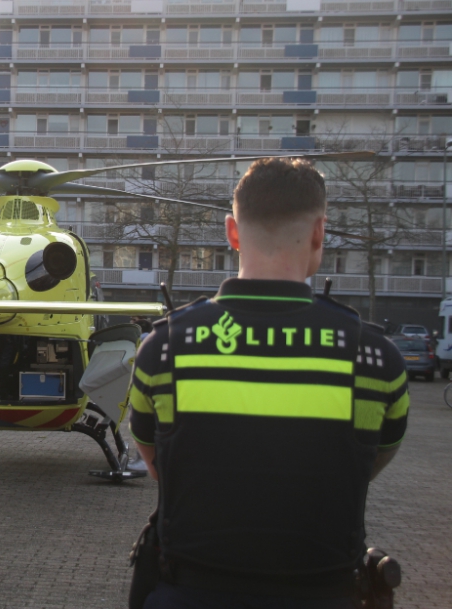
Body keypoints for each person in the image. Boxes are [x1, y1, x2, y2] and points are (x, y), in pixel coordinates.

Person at [129, 157, 409, 609]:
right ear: (319, 232)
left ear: (232, 233)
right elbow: (363, 465)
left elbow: (160, 463)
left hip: (190, 592)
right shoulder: (376, 359)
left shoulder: (164, 349)